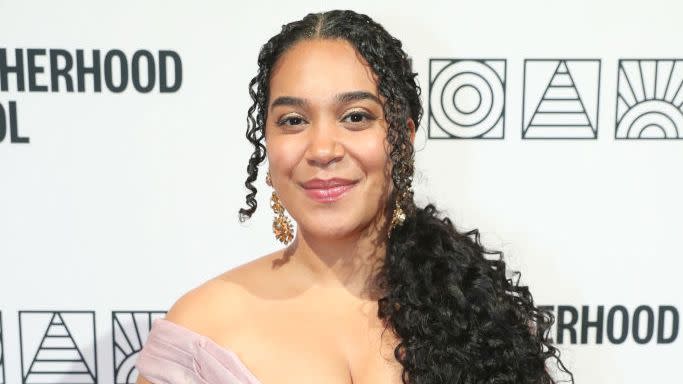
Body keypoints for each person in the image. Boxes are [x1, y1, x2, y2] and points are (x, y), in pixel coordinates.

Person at [135, 9, 573, 384]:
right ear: (266, 142)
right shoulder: (202, 331)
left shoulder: (474, 313)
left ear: (402, 138)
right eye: (292, 120)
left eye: (356, 116)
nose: (323, 149)